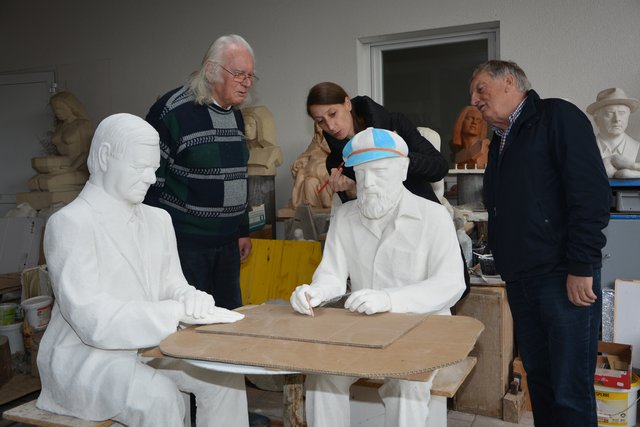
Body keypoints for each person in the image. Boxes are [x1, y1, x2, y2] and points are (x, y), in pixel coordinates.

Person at [36, 113, 247, 427]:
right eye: (140, 167)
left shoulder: (157, 219)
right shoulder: (70, 224)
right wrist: (173, 314)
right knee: (159, 398)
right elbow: (91, 318)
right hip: (90, 356)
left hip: (149, 344)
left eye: (154, 168)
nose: (150, 178)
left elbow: (171, 283)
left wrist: (191, 298)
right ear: (106, 156)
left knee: (224, 378)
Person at [290, 127, 466, 427]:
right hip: (362, 332)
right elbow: (332, 275)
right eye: (362, 173)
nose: (369, 183)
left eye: (380, 171)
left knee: (406, 388)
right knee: (322, 378)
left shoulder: (433, 217)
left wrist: (389, 299)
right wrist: (315, 292)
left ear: (402, 169)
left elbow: (451, 283)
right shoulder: (345, 217)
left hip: (422, 330)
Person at [470, 60, 611, 426]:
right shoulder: (501, 140)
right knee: (542, 385)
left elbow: (591, 194)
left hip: (562, 276)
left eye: (480, 88)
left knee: (570, 389)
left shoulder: (556, 117)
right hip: (521, 280)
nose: (474, 100)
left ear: (509, 81)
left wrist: (582, 265)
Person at [144, 34, 256, 310]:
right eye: (239, 73)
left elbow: (238, 175)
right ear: (211, 70)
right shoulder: (171, 112)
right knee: (192, 324)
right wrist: (156, 245)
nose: (247, 82)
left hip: (228, 246)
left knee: (229, 321)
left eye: (251, 75)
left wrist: (242, 229)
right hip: (186, 246)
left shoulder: (235, 113)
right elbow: (148, 185)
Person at [305, 82, 448, 203]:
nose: (330, 126)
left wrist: (402, 160)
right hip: (377, 231)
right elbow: (356, 213)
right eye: (321, 121)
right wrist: (351, 192)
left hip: (421, 215)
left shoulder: (395, 123)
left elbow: (440, 167)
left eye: (332, 114)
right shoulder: (336, 163)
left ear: (347, 104)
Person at [28, 91, 94, 191]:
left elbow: (87, 152)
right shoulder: (60, 127)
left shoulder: (83, 125)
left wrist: (72, 168)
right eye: (54, 109)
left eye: (60, 108)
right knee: (34, 179)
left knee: (46, 183)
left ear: (71, 107)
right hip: (62, 165)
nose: (57, 112)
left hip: (78, 167)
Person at [587, 87, 640, 178]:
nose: (617, 119)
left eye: (622, 113)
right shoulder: (585, 150)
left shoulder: (637, 148)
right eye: (609, 113)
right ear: (596, 119)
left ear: (628, 116)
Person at [290, 122, 334, 209]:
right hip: (312, 166)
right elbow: (307, 152)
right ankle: (303, 204)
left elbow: (336, 152)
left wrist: (322, 146)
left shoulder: (333, 139)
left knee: (323, 175)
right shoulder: (316, 139)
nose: (318, 128)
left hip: (326, 165)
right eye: (316, 125)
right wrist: (299, 161)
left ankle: (327, 200)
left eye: (320, 124)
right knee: (306, 179)